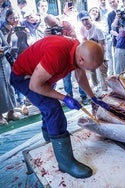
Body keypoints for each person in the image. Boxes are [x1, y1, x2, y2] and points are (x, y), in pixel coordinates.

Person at [10, 36, 110, 178]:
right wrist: (64, 98)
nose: (89, 72)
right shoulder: (57, 55)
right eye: (90, 69)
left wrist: (93, 98)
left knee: (48, 107)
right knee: (53, 108)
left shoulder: (78, 50)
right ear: (81, 60)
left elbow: (81, 77)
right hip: (24, 77)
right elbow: (35, 85)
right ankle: (65, 163)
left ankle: (50, 138)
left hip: (41, 75)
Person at [78, 10, 108, 92]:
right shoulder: (82, 28)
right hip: (90, 49)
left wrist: (101, 59)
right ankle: (95, 85)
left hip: (100, 48)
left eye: (86, 19)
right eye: (82, 20)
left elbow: (102, 44)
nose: (85, 22)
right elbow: (84, 41)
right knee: (91, 68)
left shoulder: (98, 28)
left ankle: (104, 88)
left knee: (103, 69)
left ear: (90, 18)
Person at [0, 30, 20, 125]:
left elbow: (7, 45)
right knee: (0, 89)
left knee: (9, 86)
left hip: (4, 64)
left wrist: (3, 49)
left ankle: (11, 112)